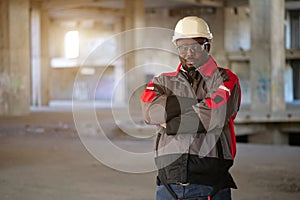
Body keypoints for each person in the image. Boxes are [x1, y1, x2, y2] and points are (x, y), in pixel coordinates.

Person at [140, 16, 241, 200]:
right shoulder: (162, 81)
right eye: (182, 47)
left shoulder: (226, 79)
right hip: (168, 186)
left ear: (207, 46)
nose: (188, 52)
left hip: (210, 186)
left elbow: (213, 116)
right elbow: (150, 112)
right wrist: (196, 102)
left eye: (195, 46)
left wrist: (169, 123)